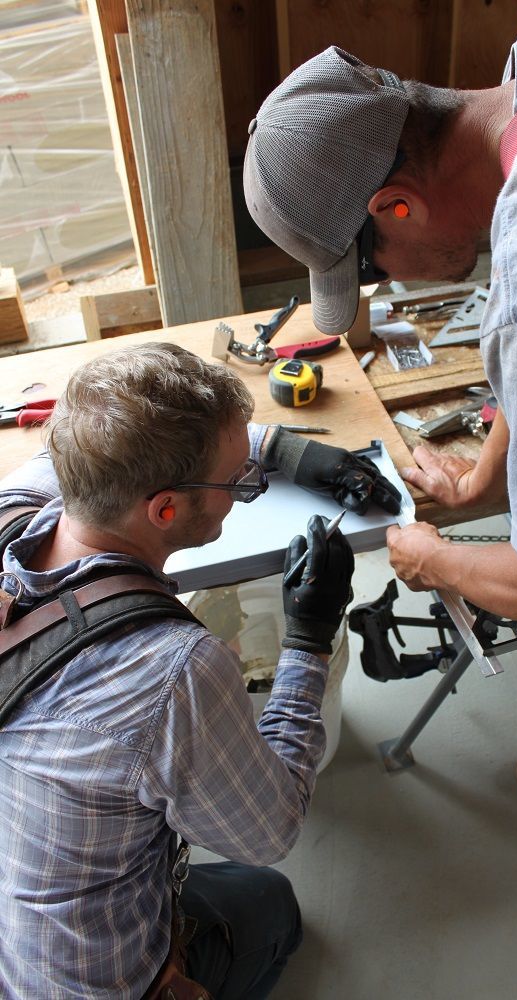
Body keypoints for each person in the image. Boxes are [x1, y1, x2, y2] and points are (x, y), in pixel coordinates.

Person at [243, 1, 517, 932]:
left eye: (374, 269)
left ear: (394, 206)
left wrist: (430, 558)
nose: (390, 288)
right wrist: (483, 484)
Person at [0, 341, 401, 997]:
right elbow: (270, 829)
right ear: (164, 509)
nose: (245, 489)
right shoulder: (169, 671)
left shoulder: (21, 503)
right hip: (82, 982)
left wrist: (291, 451)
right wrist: (309, 635)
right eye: (238, 481)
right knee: (272, 904)